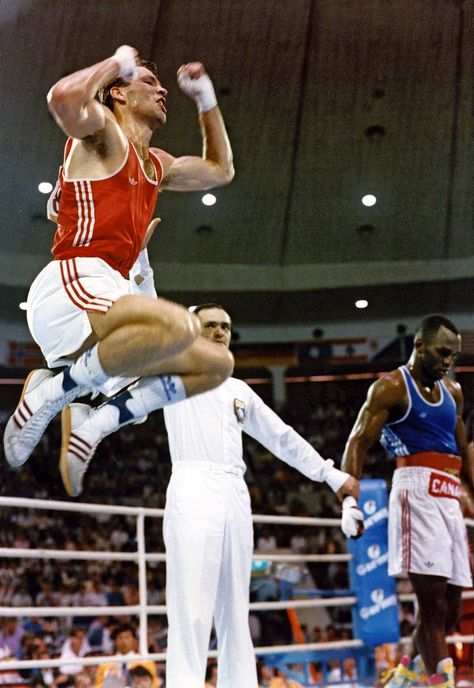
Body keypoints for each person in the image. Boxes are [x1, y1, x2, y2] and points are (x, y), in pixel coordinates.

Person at [3, 45, 234, 496]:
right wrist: (117, 61)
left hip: (113, 289)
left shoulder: (156, 164)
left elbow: (220, 171)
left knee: (216, 363)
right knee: (182, 325)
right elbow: (63, 99)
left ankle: (96, 420)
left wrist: (205, 98)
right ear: (119, 95)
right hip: (73, 280)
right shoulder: (103, 132)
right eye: (149, 82)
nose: (163, 89)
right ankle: (50, 396)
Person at [160, 304, 359, 688]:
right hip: (192, 485)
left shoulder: (239, 390)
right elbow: (149, 309)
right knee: (191, 610)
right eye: (210, 326)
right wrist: (140, 267)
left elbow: (281, 437)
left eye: (226, 327)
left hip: (235, 493)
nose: (219, 332)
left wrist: (330, 475)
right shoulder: (171, 373)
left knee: (236, 609)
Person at [341, 314, 474, 688]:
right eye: (442, 353)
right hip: (415, 492)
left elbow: (463, 450)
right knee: (430, 608)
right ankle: (440, 684)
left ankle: (402, 674)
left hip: (449, 498)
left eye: (454, 355)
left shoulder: (454, 392)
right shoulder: (390, 388)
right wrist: (348, 501)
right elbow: (357, 441)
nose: (448, 361)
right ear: (419, 346)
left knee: (449, 611)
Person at [95, 623, 159, 688]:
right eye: (120, 637)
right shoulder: (105, 664)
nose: (123, 641)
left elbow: (154, 685)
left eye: (127, 637)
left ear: (134, 640)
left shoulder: (146, 662)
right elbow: (98, 686)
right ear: (115, 641)